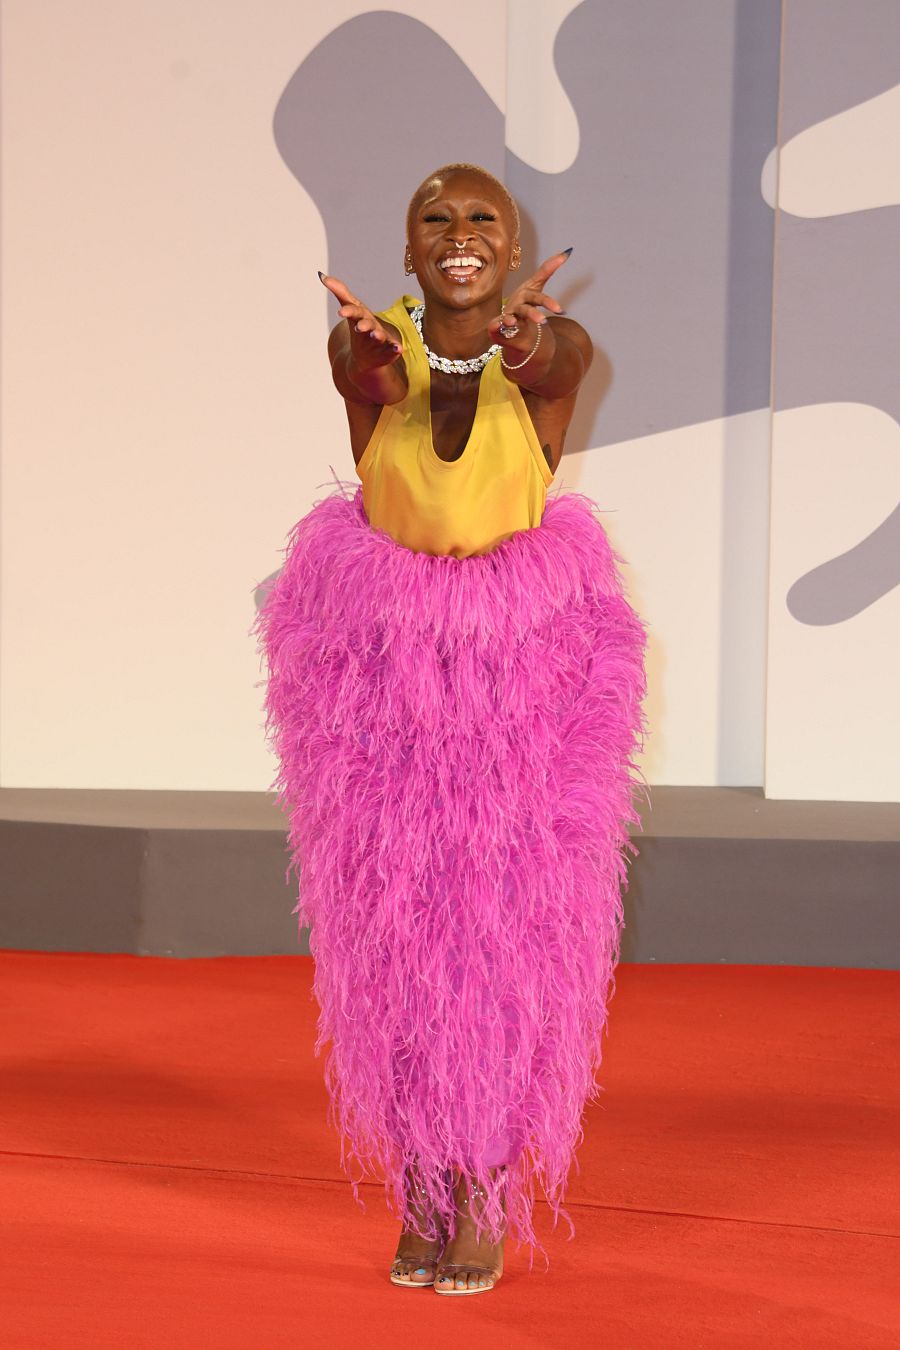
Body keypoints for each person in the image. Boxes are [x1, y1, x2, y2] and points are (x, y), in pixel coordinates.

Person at [253, 163, 647, 1296]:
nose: (460, 235)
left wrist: (516, 341)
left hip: (521, 688)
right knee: (399, 936)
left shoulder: (557, 351)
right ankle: (424, 1185)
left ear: (514, 247)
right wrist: (386, 357)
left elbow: (538, 366)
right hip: (385, 685)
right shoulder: (367, 350)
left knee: (502, 939)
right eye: (438, 219)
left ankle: (482, 1191)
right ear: (410, 244)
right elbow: (374, 373)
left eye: (482, 220)